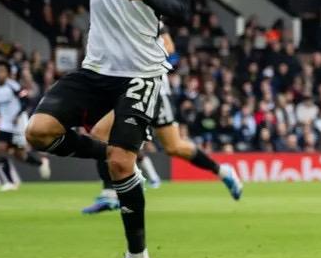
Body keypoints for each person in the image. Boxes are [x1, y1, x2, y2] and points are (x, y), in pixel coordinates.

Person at [0, 0, 193, 258]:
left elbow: (183, 8)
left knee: (121, 167)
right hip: (96, 68)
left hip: (141, 72)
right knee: (38, 133)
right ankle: (119, 158)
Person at [81, 31, 242, 213]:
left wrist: (141, 57)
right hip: (130, 88)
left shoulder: (147, 11)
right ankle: (110, 193)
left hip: (155, 89)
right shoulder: (117, 19)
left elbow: (169, 46)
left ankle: (222, 171)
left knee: (174, 147)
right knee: (100, 134)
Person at [0, 59, 50, 190]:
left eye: (2, 71)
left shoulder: (14, 86)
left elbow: (26, 100)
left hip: (18, 124)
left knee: (20, 155)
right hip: (5, 124)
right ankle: (9, 182)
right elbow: (0, 108)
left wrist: (17, 115)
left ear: (8, 73)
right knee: (1, 149)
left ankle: (41, 163)